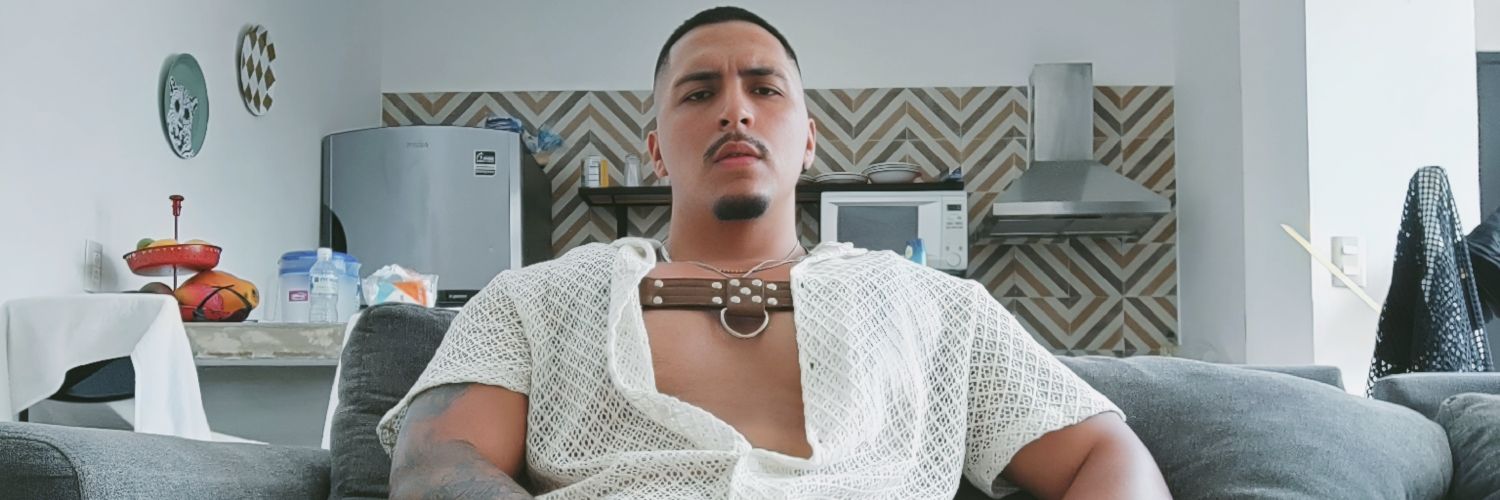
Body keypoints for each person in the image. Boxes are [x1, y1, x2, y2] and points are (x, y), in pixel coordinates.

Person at [381, 6, 1171, 499]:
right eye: (700, 93)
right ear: (655, 151)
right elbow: (436, 462)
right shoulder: (536, 298)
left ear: (809, 139)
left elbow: (1102, 455)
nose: (735, 110)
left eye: (764, 89)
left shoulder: (937, 307)